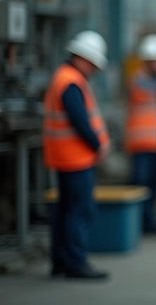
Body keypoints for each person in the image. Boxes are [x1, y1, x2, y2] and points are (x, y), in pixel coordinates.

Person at [43, 30, 112, 280]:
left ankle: (60, 261)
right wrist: (98, 145)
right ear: (84, 58)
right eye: (93, 64)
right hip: (75, 158)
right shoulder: (71, 82)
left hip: (65, 157)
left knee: (64, 210)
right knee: (78, 211)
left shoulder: (63, 77)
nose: (93, 70)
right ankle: (76, 263)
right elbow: (80, 121)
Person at [126, 34, 156, 234]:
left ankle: (149, 222)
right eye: (153, 61)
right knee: (141, 183)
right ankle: (137, 223)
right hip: (141, 144)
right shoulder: (138, 81)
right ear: (145, 62)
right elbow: (151, 90)